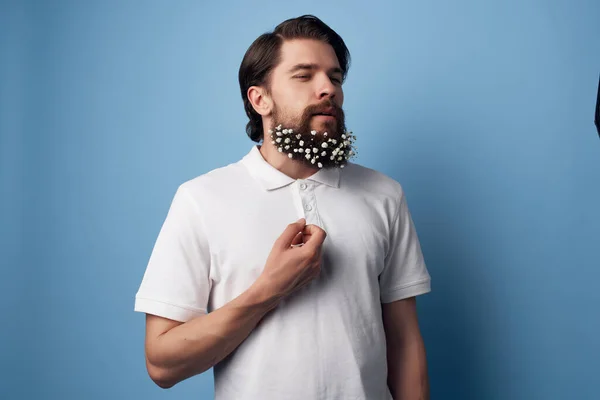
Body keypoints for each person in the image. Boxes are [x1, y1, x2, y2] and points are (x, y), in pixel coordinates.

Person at [134, 14, 432, 400]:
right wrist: (269, 289)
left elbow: (405, 345)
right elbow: (162, 364)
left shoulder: (383, 195)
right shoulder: (202, 199)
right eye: (305, 75)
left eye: (335, 77)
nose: (329, 89)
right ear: (260, 99)